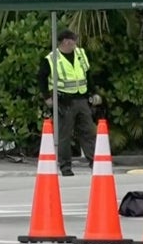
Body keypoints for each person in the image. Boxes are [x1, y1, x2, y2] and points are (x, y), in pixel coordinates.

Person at [37, 29, 102, 176]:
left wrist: (94, 92)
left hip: (82, 99)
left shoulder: (80, 54)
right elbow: (41, 78)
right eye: (73, 40)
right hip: (64, 101)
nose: (75, 43)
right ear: (66, 41)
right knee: (64, 136)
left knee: (88, 132)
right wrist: (47, 97)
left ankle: (95, 163)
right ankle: (66, 167)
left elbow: (87, 75)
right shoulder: (51, 59)